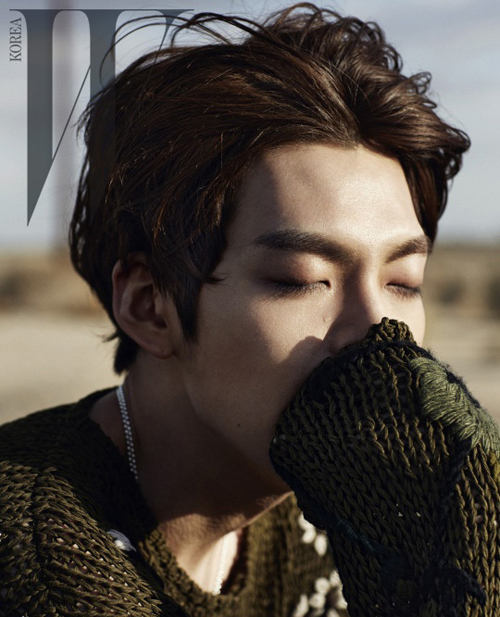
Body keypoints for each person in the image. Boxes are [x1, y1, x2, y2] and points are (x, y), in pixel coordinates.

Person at [1, 4, 498, 616]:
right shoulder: (43, 569)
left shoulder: (341, 511)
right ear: (149, 306)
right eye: (301, 280)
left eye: (403, 282)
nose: (378, 331)